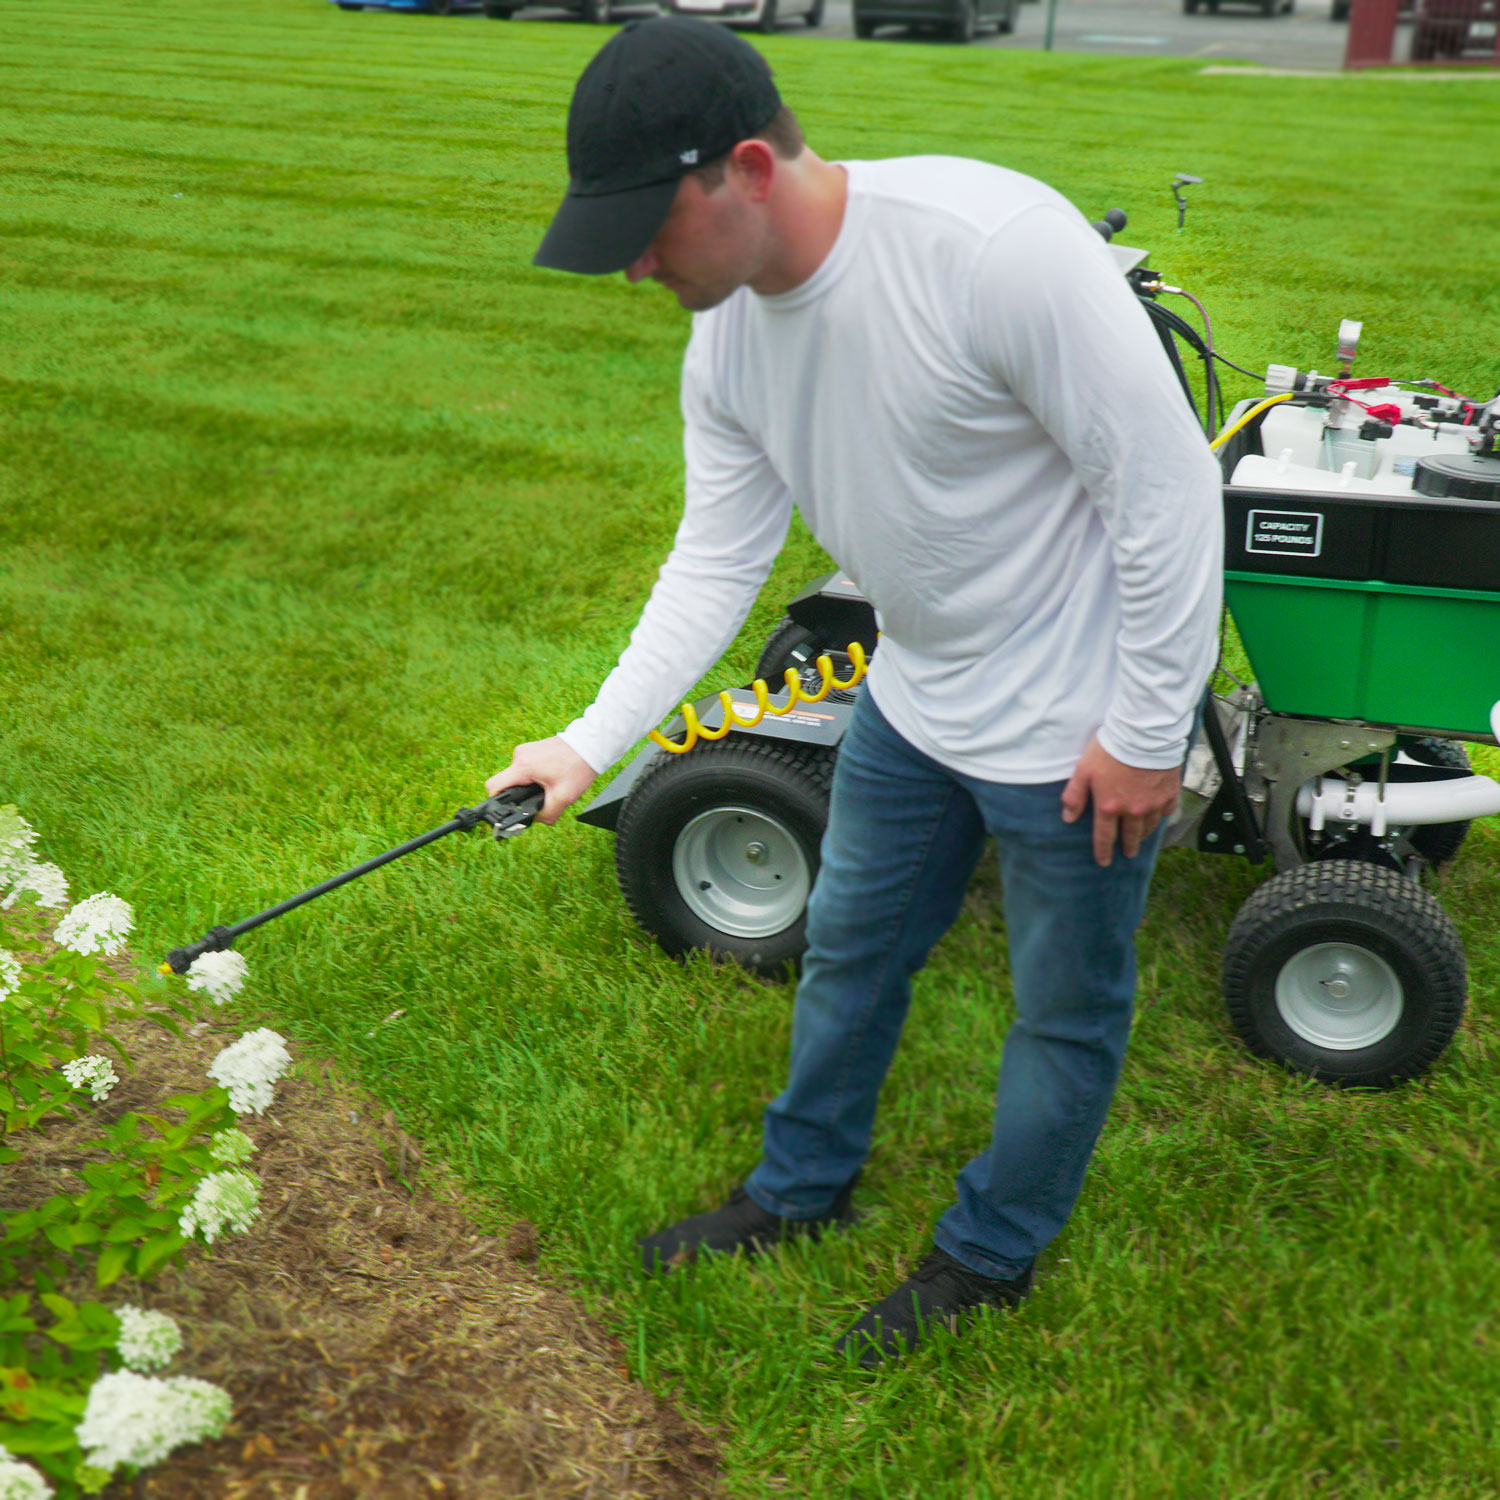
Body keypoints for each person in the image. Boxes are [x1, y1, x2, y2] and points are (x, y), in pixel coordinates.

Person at [487, 16, 1223, 1368]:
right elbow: (717, 558)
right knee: (847, 950)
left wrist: (1142, 730)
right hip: (915, 693)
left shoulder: (992, 251)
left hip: (1074, 726)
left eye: (648, 227)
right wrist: (588, 744)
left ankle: (990, 1253)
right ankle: (798, 1189)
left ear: (749, 169)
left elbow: (1169, 493)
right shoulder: (728, 338)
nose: (636, 264)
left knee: (1064, 1008)